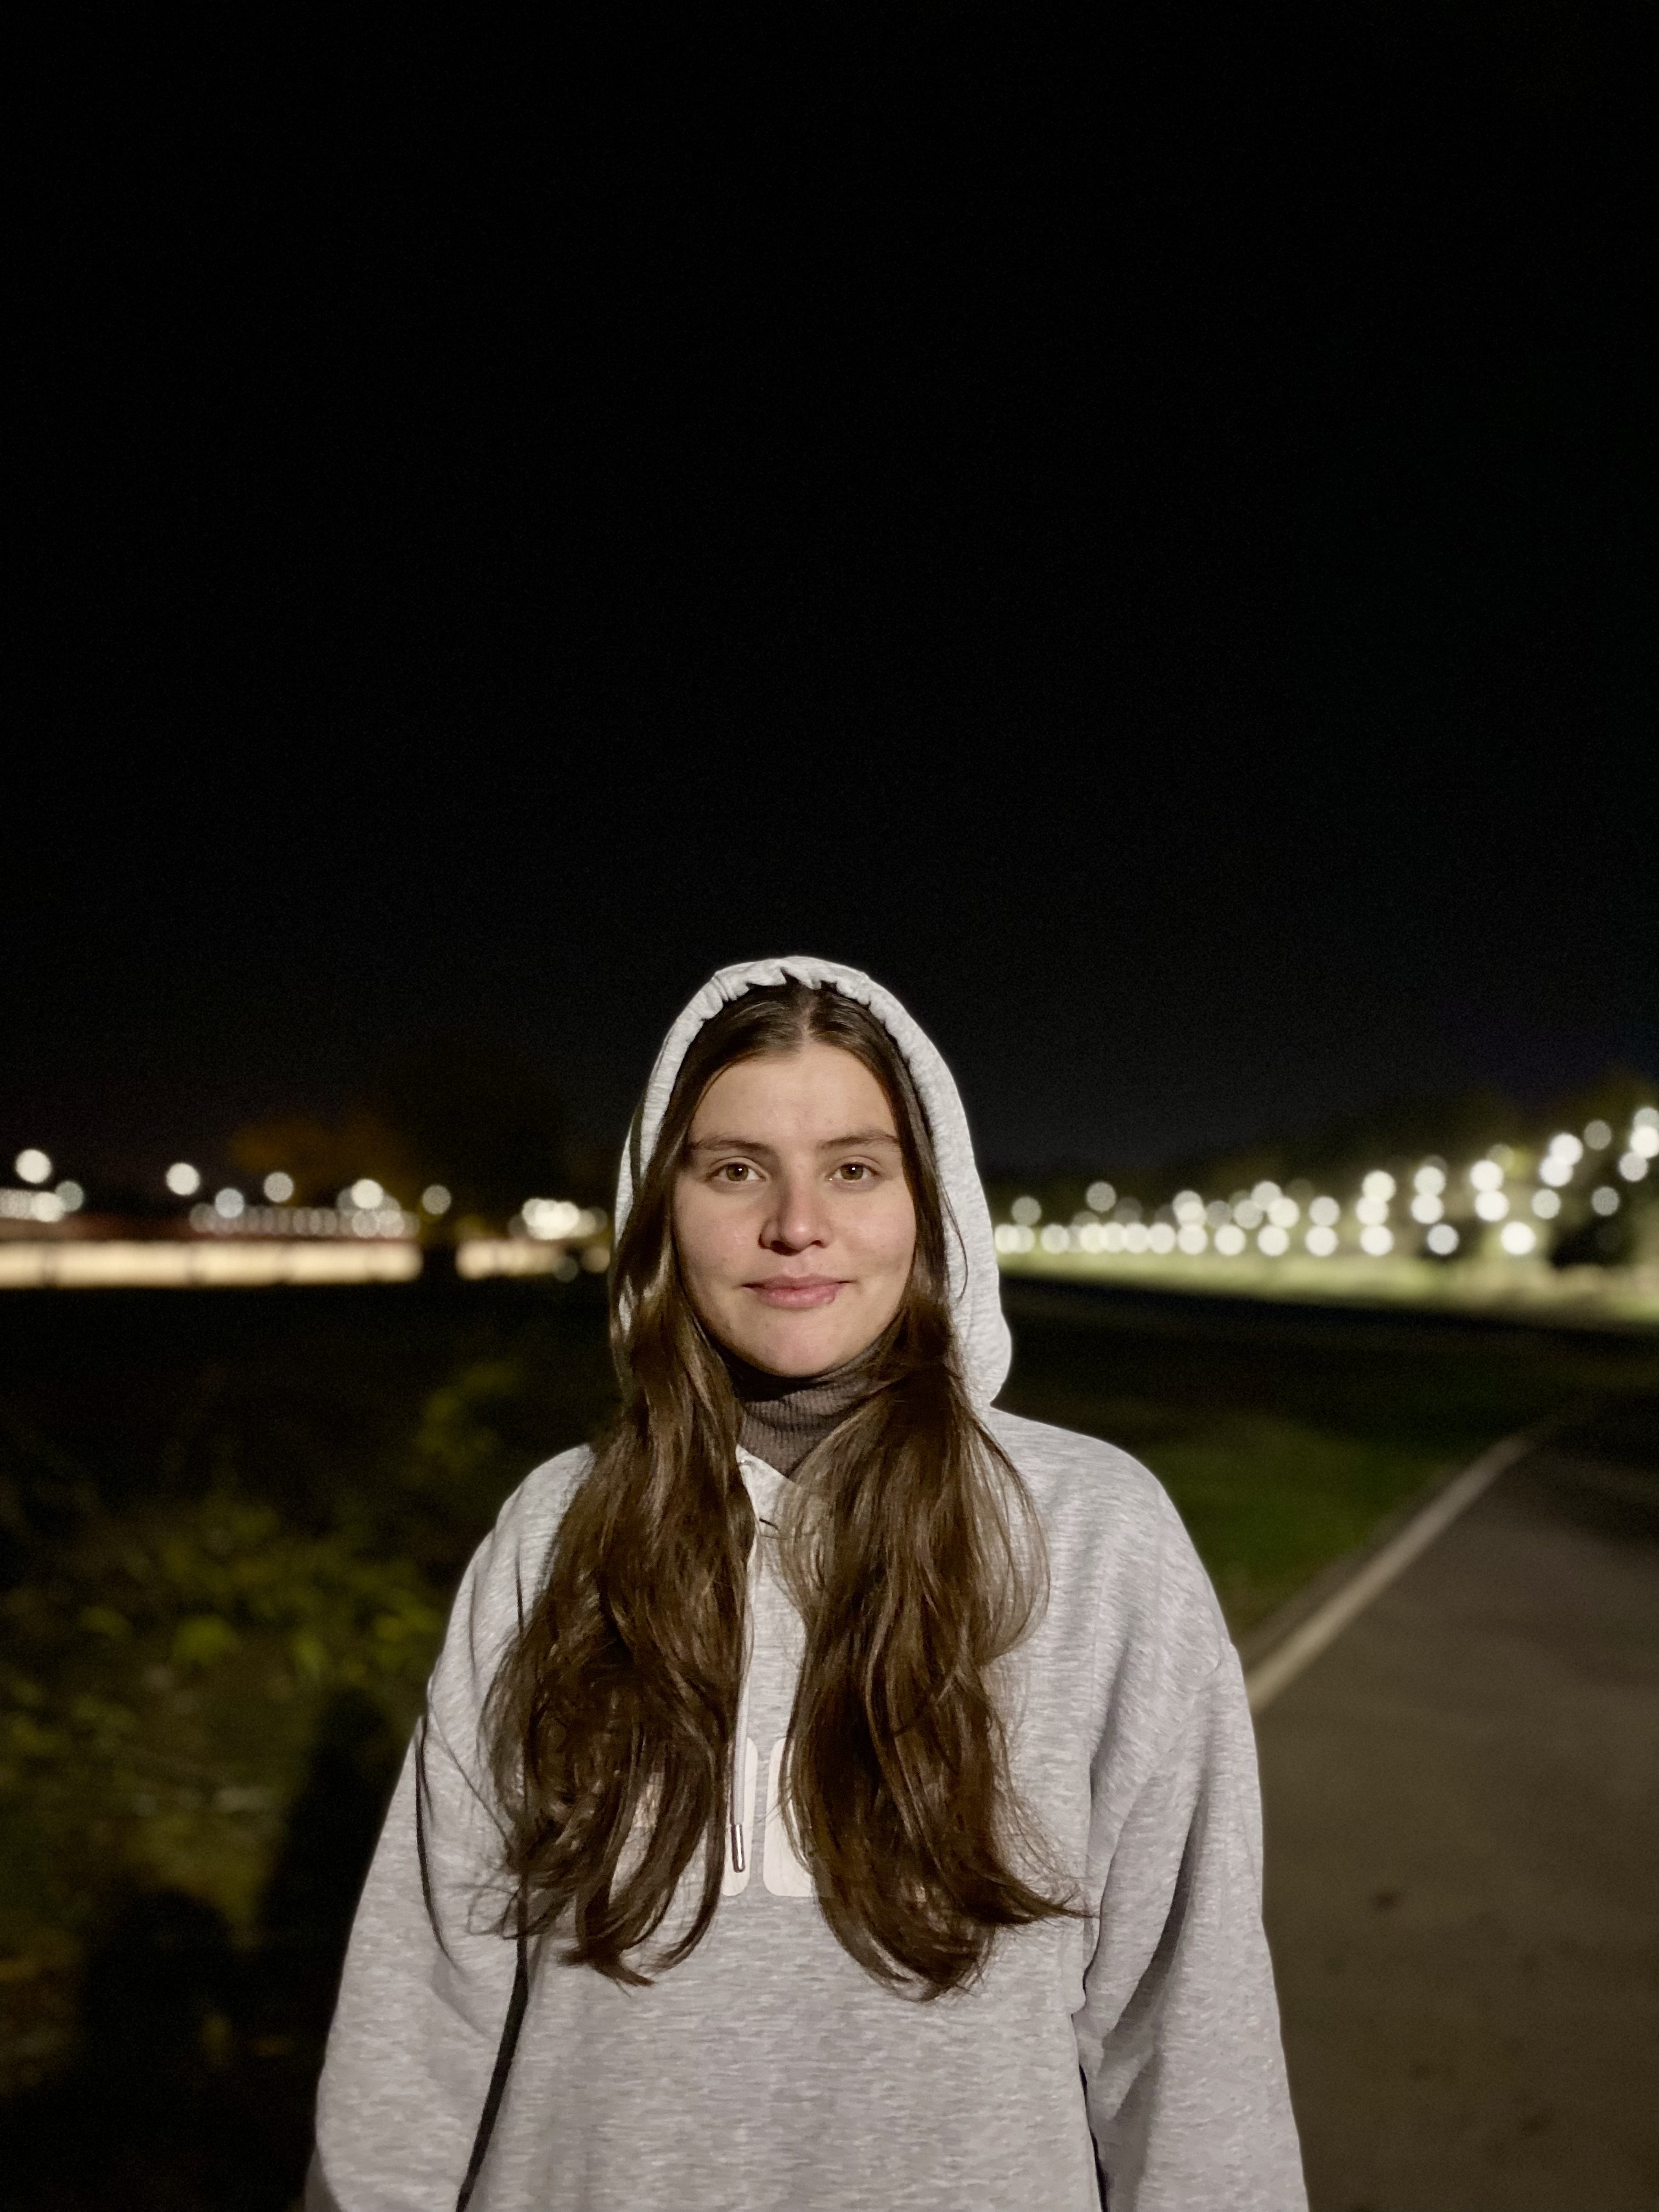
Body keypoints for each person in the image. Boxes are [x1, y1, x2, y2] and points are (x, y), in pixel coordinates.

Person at [307, 955, 1306, 2212]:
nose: (795, 1224)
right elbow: (424, 2004)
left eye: (854, 1168)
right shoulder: (555, 1531)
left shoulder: (1097, 1537)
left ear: (931, 1203)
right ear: (662, 1208)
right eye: (735, 1170)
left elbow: (1191, 2029)